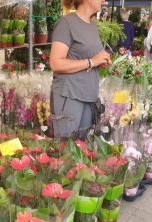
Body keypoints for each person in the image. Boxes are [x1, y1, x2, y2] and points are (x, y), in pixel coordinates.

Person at [49, 0, 111, 139]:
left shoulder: (92, 25)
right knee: (67, 149)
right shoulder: (66, 23)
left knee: (81, 151)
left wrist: (99, 62)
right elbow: (56, 63)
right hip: (70, 96)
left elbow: (89, 59)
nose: (103, 0)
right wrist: (91, 62)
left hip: (88, 97)